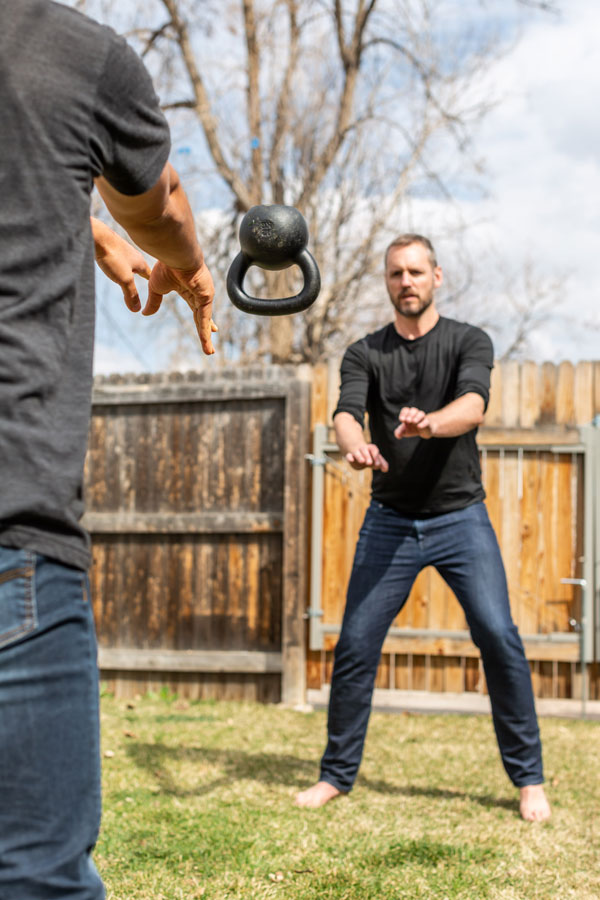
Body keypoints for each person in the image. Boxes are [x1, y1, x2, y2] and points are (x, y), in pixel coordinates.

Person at [0, 2, 216, 897]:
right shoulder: (72, 52)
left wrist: (83, 227)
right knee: (36, 873)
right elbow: (157, 197)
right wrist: (189, 263)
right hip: (11, 532)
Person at [295, 234, 551, 823]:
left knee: (497, 635)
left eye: (415, 271)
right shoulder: (364, 352)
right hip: (390, 521)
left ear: (437, 276)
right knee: (356, 644)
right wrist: (357, 448)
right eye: (395, 273)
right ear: (386, 282)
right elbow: (345, 414)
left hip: (461, 518)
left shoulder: (469, 341)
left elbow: (474, 406)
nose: (405, 281)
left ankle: (529, 778)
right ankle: (336, 776)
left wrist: (429, 424)